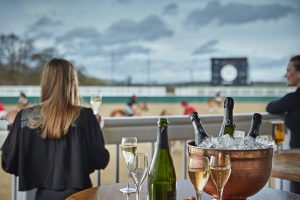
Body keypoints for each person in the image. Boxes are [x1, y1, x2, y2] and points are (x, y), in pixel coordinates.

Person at [1, 58, 110, 200]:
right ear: (73, 83)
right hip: (82, 195)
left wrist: (14, 126)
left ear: (45, 83)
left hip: (44, 196)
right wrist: (96, 128)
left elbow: (7, 163)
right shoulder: (86, 116)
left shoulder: (25, 117)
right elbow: (101, 160)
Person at [266, 55, 300, 194]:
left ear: (299, 73)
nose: (286, 75)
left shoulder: (294, 99)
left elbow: (271, 107)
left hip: (297, 164)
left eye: (288, 70)